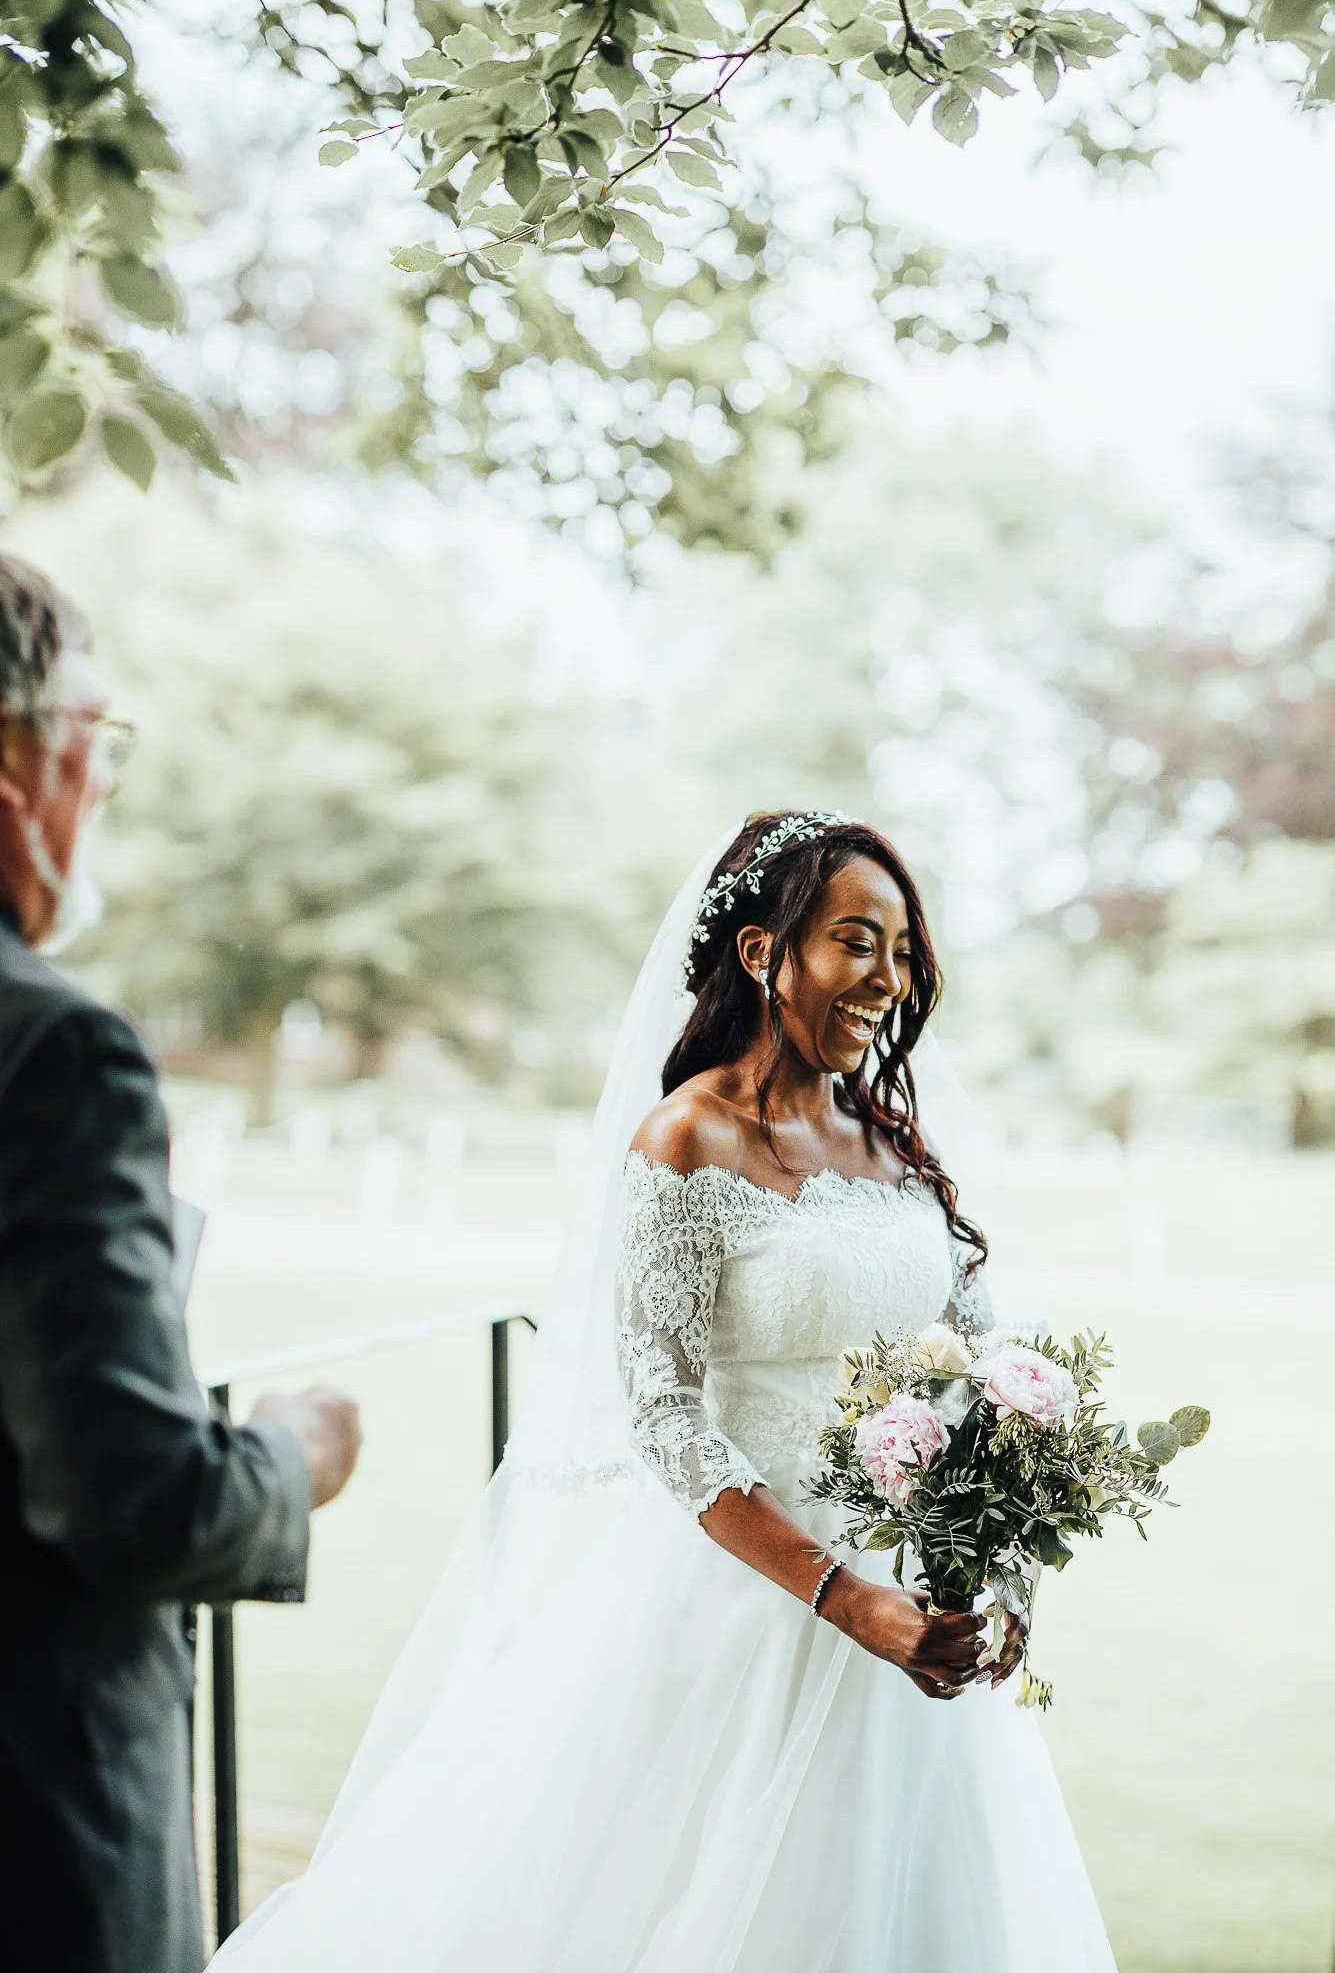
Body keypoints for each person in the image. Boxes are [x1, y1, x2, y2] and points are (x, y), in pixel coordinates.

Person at [214, 808, 1117, 1971]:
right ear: (762, 952)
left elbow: (983, 1364)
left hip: (918, 1610)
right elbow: (667, 1414)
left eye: (902, 947)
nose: (888, 977)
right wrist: (852, 1602)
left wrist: (995, 1574)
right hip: (745, 1605)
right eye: (856, 939)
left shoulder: (895, 1140)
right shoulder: (685, 1141)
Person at [0, 554, 363, 1973]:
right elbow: (135, 1498)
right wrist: (288, 1458)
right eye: (94, 745)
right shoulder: (50, 1055)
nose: (99, 791)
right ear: (21, 761)